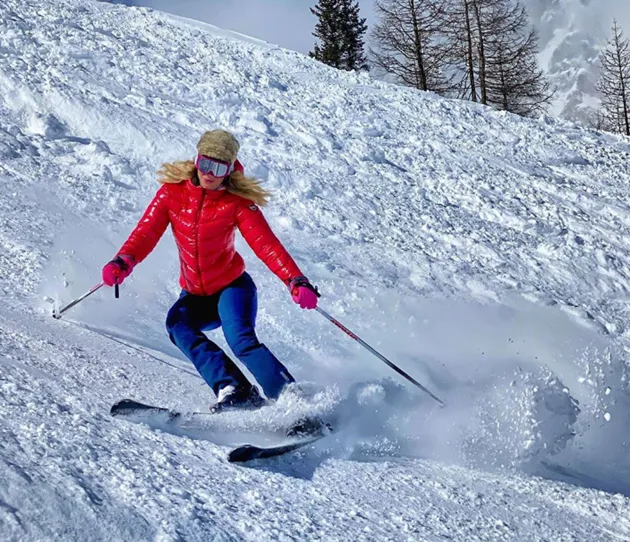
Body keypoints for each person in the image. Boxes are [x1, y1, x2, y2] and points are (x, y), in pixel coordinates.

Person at [101, 129, 320, 412]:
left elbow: (267, 245)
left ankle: (293, 400)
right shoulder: (171, 194)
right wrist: (123, 260)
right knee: (178, 325)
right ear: (196, 160)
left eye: (219, 167)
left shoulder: (237, 203)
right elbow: (146, 232)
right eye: (206, 163)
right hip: (195, 294)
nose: (210, 173)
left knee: (241, 340)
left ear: (230, 170)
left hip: (233, 288)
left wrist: (296, 280)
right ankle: (235, 389)